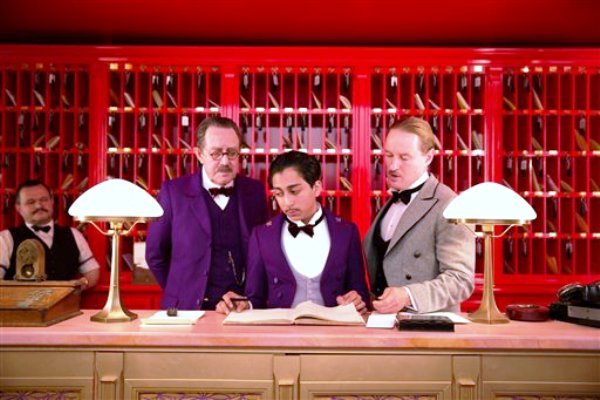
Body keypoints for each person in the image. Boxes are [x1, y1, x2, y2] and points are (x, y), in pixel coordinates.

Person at [217, 150, 369, 315]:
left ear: (316, 187)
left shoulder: (346, 233)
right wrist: (244, 305)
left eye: (294, 191)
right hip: (281, 330)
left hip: (333, 329)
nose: (287, 202)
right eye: (279, 194)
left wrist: (356, 301)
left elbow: (361, 295)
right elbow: (255, 298)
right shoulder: (262, 236)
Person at [146, 116, 268, 310]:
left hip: (239, 309)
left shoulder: (255, 192)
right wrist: (182, 292)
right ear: (199, 154)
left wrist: (249, 298)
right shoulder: (173, 193)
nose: (225, 161)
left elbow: (262, 254)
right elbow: (155, 255)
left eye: (232, 153)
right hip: (185, 311)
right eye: (216, 153)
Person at [364, 117, 475, 314]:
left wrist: (408, 295)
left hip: (427, 326)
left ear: (428, 157)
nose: (393, 166)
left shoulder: (449, 204)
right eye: (389, 155)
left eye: (404, 157)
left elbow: (460, 281)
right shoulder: (390, 202)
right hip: (384, 321)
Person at [0, 179, 99, 289]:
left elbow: (92, 270)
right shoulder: (5, 238)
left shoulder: (74, 234)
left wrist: (82, 283)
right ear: (18, 207)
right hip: (22, 300)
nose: (38, 206)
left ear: (52, 201)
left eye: (44, 199)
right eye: (31, 202)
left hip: (67, 300)